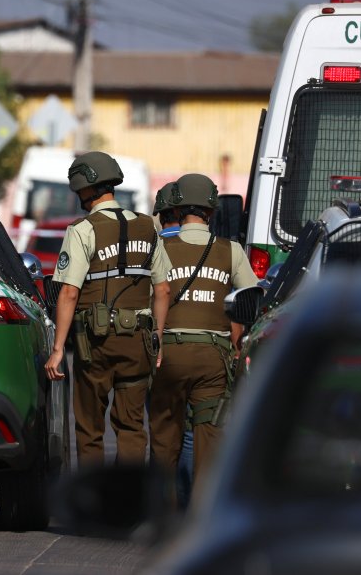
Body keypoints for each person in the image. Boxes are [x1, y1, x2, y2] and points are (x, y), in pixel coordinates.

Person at [44, 151, 170, 466]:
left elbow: (69, 292)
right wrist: (158, 336)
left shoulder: (82, 230)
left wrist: (58, 348)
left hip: (95, 344)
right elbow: (163, 288)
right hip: (138, 342)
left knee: (89, 427)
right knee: (131, 425)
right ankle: (127, 505)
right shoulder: (148, 226)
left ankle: (94, 504)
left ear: (86, 187)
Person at [148, 174, 257, 500]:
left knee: (165, 437)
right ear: (211, 210)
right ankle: (202, 517)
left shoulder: (160, 247)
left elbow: (151, 298)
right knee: (209, 440)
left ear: (177, 208)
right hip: (213, 357)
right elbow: (249, 299)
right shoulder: (231, 250)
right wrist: (237, 344)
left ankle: (162, 514)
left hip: (168, 354)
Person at [152, 182, 192, 510]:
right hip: (206, 350)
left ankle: (162, 503)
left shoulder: (153, 246)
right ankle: (189, 503)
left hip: (162, 351)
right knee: (192, 432)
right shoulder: (222, 247)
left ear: (162, 215)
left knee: (163, 428)